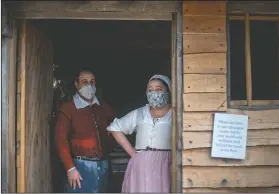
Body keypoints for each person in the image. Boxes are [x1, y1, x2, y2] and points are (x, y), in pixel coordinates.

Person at [107, 74, 172, 193]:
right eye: (150, 90)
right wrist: (132, 152)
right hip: (141, 164)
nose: (154, 93)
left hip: (166, 164)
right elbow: (115, 128)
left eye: (158, 89)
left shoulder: (175, 114)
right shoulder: (140, 113)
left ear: (168, 91)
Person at [55, 69, 115, 193]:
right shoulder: (68, 108)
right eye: (85, 82)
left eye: (92, 82)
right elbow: (61, 140)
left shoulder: (102, 106)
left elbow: (117, 124)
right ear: (77, 85)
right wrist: (70, 168)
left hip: (103, 164)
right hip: (80, 166)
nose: (89, 85)